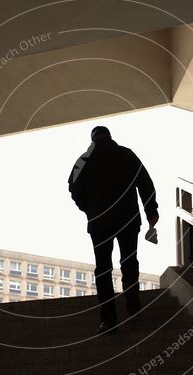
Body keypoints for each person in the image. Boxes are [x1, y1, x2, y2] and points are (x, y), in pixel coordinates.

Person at [68, 126, 159, 335]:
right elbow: (145, 182)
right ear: (110, 137)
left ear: (93, 140)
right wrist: (150, 210)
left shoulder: (83, 160)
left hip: (99, 224)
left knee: (103, 269)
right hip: (128, 219)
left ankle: (109, 319)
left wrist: (89, 209)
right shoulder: (126, 154)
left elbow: (73, 189)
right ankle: (133, 302)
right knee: (128, 260)